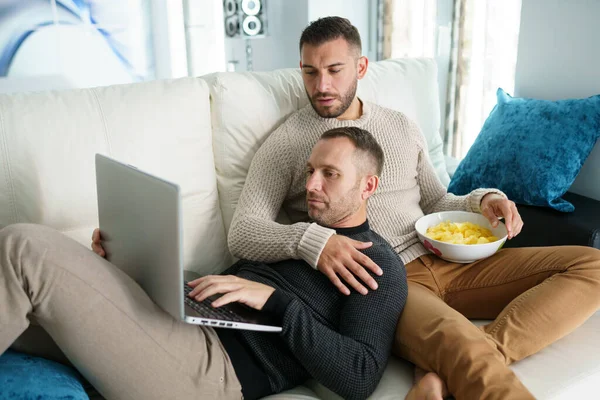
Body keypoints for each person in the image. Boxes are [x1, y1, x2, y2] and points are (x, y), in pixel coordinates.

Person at [224, 16, 600, 400]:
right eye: (310, 72)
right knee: (462, 347)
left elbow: (437, 201)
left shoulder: (401, 126)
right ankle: (463, 356)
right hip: (388, 281)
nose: (322, 86)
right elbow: (243, 232)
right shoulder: (287, 143)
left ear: (361, 67)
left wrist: (483, 199)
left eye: (335, 70)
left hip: (447, 257)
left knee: (592, 265)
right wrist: (313, 241)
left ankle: (472, 356)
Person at [1, 128, 407, 400]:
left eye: (329, 174)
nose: (311, 185)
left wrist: (276, 302)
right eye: (310, 171)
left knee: (23, 247)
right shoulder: (297, 233)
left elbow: (359, 375)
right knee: (23, 300)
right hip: (177, 320)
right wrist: (122, 267)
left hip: (213, 369)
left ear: (367, 185)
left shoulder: (377, 265)